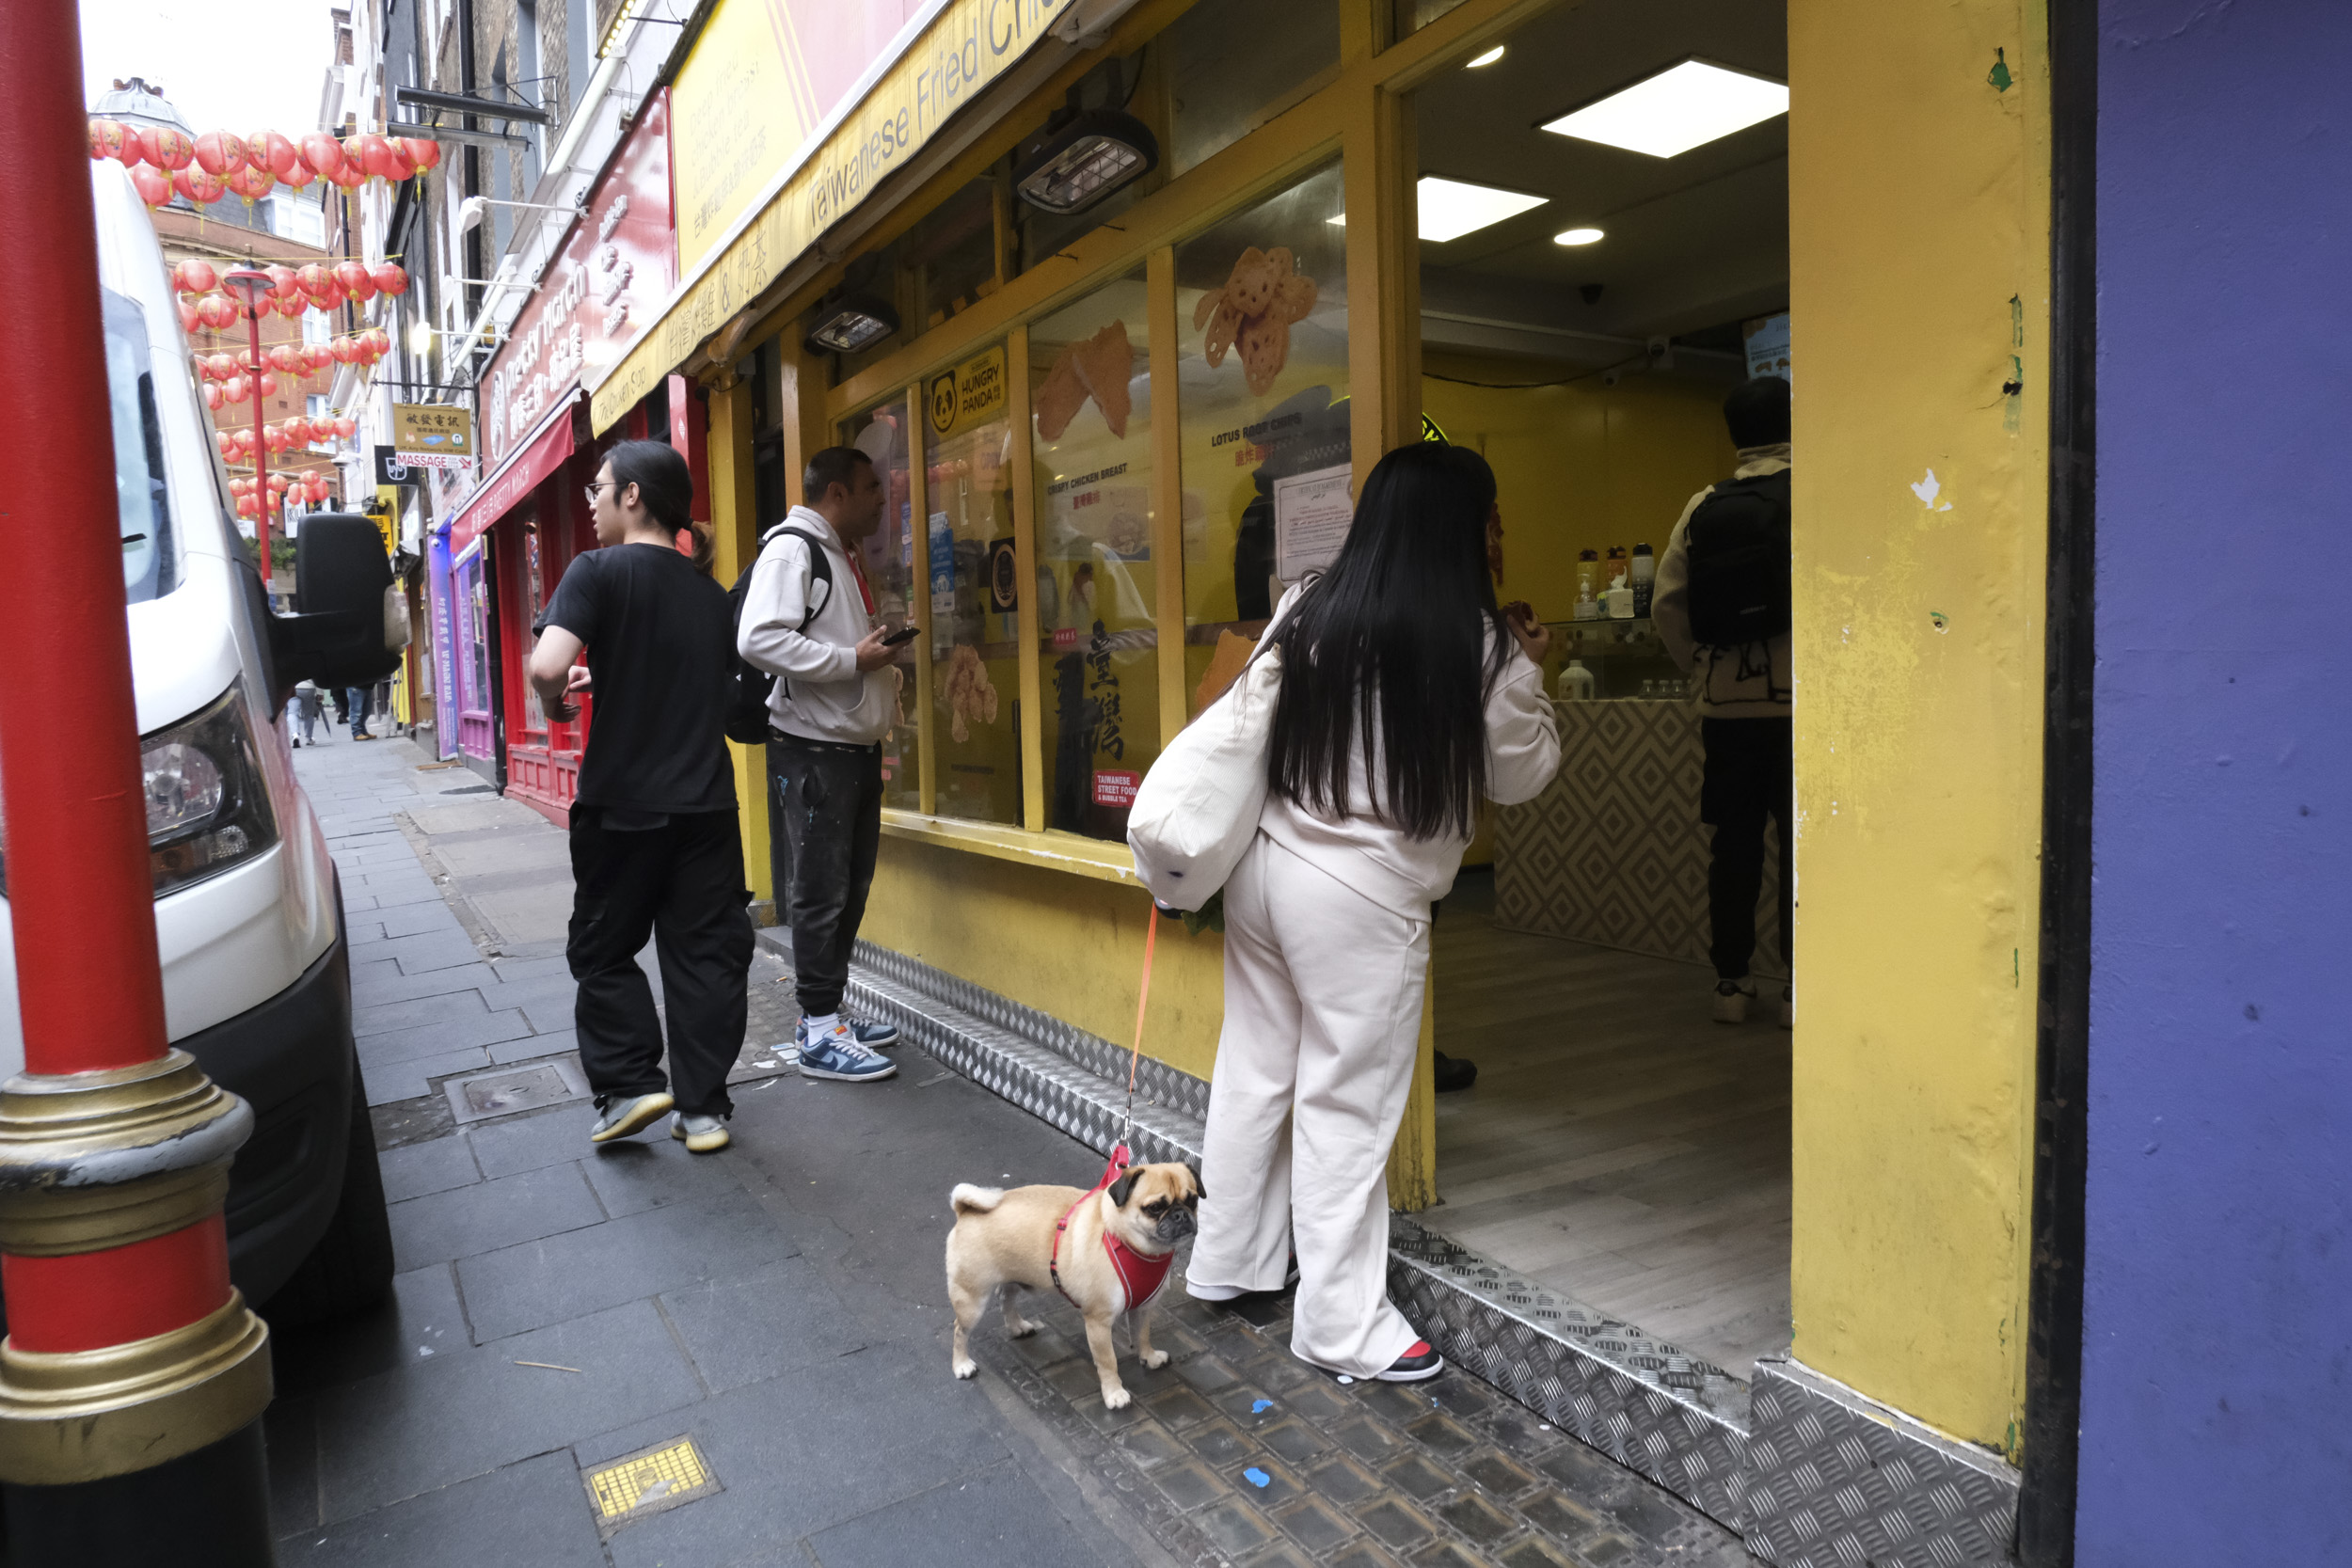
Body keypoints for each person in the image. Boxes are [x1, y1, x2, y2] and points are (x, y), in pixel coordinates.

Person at [1184, 442, 1561, 1384]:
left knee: (1256, 1067)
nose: (1500, 532)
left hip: (1264, 864)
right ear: (1461, 529)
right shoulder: (1483, 644)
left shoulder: (1307, 602)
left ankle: (1228, 1261)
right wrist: (1534, 674)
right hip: (1360, 891)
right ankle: (1341, 1323)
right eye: (1493, 516)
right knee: (1347, 1106)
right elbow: (1521, 776)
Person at [528, 440, 754, 1153]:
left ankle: (628, 1085)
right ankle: (704, 1110)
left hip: (622, 805)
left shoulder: (596, 570)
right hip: (707, 809)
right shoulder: (709, 595)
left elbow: (547, 663)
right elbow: (708, 692)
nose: (590, 503)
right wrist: (613, 678)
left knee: (602, 948)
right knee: (705, 955)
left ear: (633, 496)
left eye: (598, 489)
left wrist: (556, 701)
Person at [737, 447, 904, 1084]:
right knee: (819, 889)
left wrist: (868, 651)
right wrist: (851, 661)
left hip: (849, 749)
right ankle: (815, 1027)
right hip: (813, 750)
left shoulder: (838, 550)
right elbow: (757, 638)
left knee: (847, 887)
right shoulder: (793, 548)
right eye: (871, 489)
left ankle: (829, 1011)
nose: (880, 500)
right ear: (836, 491)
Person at [1652, 375, 1793, 1028]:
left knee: (1733, 847)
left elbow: (1667, 604)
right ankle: (1800, 983)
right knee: (1801, 851)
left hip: (1726, 712)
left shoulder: (1702, 504)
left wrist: (1702, 671)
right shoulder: (1811, 493)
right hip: (1802, 709)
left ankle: (1731, 985)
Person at [294, 680, 326, 746]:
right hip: (308, 687)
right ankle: (308, 738)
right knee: (308, 713)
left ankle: (295, 734)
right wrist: (320, 692)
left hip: (294, 687)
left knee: (293, 713)